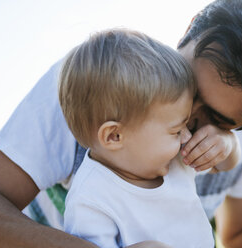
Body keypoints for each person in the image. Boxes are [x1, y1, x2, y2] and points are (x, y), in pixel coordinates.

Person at [0, 0, 242, 247]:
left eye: (219, 120)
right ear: (191, 26)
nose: (187, 121)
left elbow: (241, 232)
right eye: (188, 83)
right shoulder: (97, 83)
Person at [60, 28, 227, 247]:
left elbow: (224, 164)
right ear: (114, 136)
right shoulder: (91, 199)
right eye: (176, 130)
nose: (187, 136)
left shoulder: (174, 158)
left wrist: (226, 143)